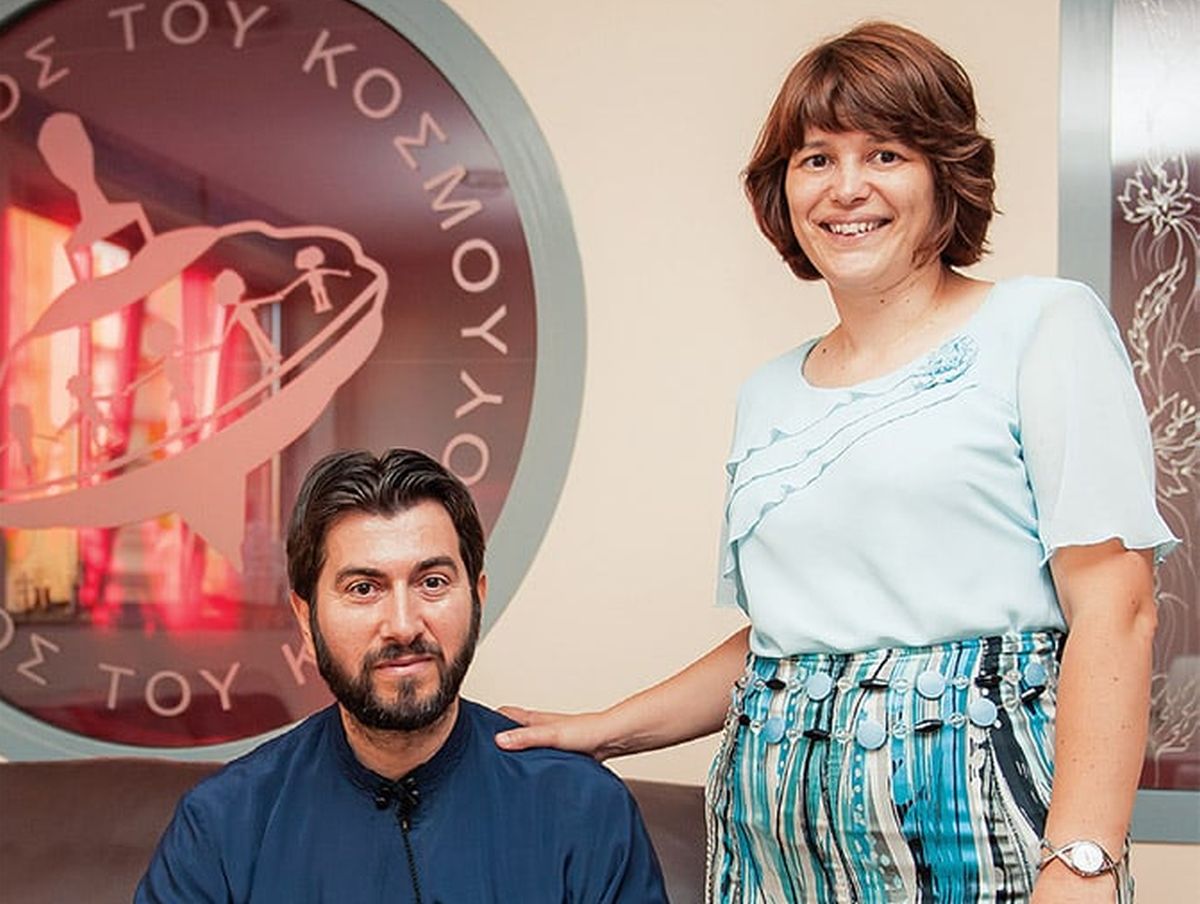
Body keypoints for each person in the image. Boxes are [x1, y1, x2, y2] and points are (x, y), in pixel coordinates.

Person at [495, 22, 1177, 904]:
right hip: (771, 835)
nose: (847, 188)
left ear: (944, 174)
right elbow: (786, 640)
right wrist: (607, 730)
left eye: (885, 154)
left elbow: (1117, 610)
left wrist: (1082, 859)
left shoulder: (1043, 327)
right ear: (783, 189)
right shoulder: (768, 393)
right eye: (816, 159)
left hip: (979, 820)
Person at [136, 448, 668, 904]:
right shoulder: (224, 823)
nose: (403, 625)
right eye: (363, 589)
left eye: (432, 582)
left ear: (477, 598)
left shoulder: (582, 809)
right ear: (306, 618)